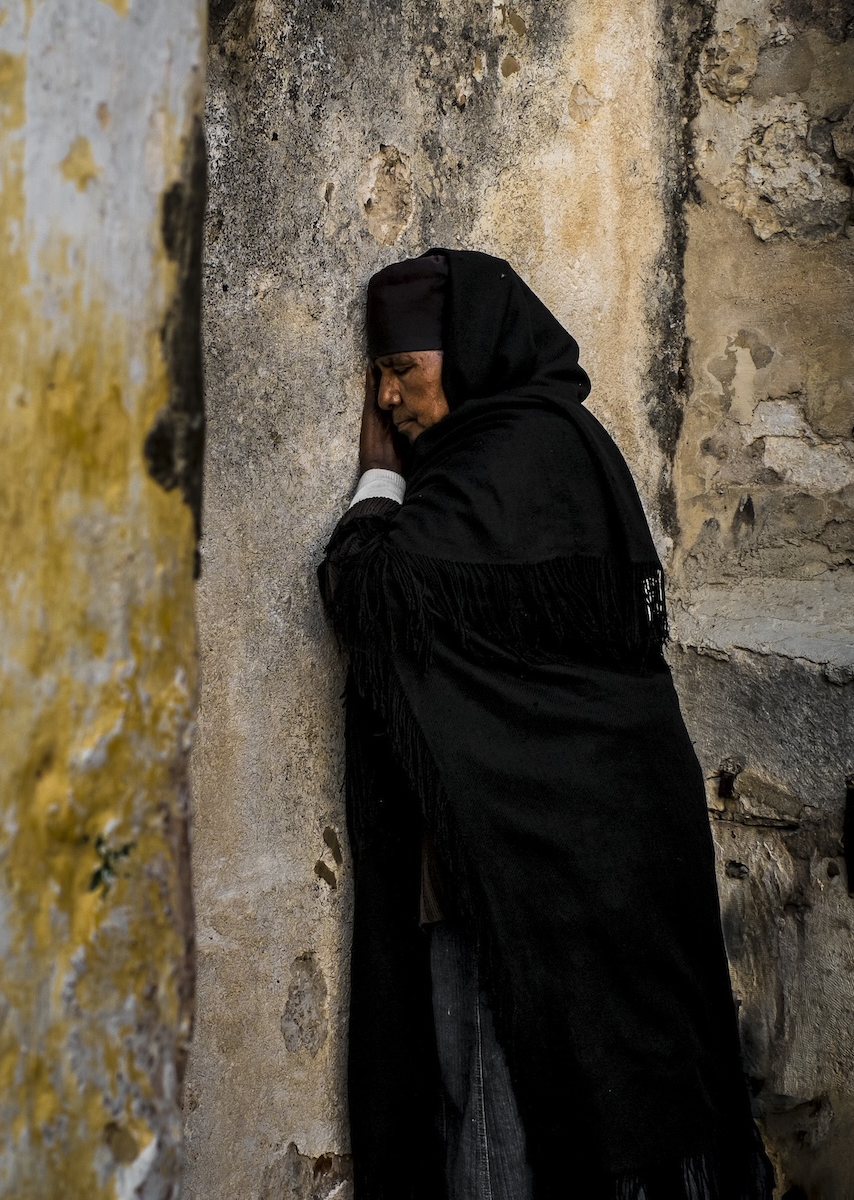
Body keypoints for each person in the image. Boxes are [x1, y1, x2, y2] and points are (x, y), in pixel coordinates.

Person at [317, 249, 775, 1199]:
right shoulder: (563, 444)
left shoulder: (510, 457)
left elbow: (369, 591)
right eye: (378, 378)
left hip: (530, 882)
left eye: (406, 369)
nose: (391, 397)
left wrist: (376, 480)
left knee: (501, 1107)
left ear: (471, 350)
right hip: (598, 859)